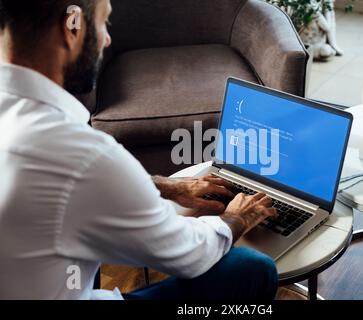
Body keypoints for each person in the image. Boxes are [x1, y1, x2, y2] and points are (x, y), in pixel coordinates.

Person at [0, 0, 278, 300]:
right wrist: (236, 218)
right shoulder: (82, 156)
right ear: (72, 26)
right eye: (103, 23)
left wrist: (164, 186)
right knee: (251, 268)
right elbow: (188, 254)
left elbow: (57, 193)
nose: (106, 39)